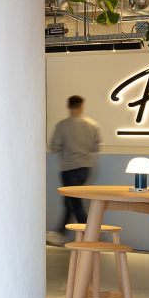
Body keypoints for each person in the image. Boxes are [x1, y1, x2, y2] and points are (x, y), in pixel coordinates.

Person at [48, 95, 101, 246]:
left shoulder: (62, 125)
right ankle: (60, 232)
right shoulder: (92, 125)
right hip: (85, 167)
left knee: (74, 202)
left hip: (69, 167)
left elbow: (54, 147)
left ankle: (89, 235)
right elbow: (95, 147)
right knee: (70, 201)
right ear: (82, 106)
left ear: (68, 106)